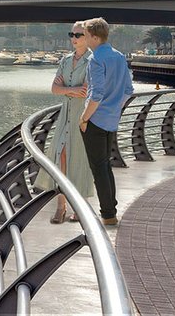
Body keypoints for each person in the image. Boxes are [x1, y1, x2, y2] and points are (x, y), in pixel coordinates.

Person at [80, 17, 133, 227]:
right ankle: (110, 211)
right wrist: (114, 110)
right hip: (112, 120)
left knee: (98, 168)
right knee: (105, 166)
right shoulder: (119, 56)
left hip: (95, 120)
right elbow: (128, 91)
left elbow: (96, 94)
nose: (83, 38)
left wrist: (84, 118)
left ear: (93, 36)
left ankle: (108, 214)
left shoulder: (95, 59)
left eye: (84, 35)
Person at [48, 23, 98, 222]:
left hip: (83, 115)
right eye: (72, 34)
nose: (74, 38)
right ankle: (61, 207)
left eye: (78, 34)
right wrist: (70, 90)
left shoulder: (93, 61)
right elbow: (54, 88)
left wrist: (66, 89)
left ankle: (80, 208)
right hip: (66, 114)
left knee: (80, 160)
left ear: (87, 36)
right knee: (60, 156)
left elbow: (86, 91)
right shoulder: (65, 60)